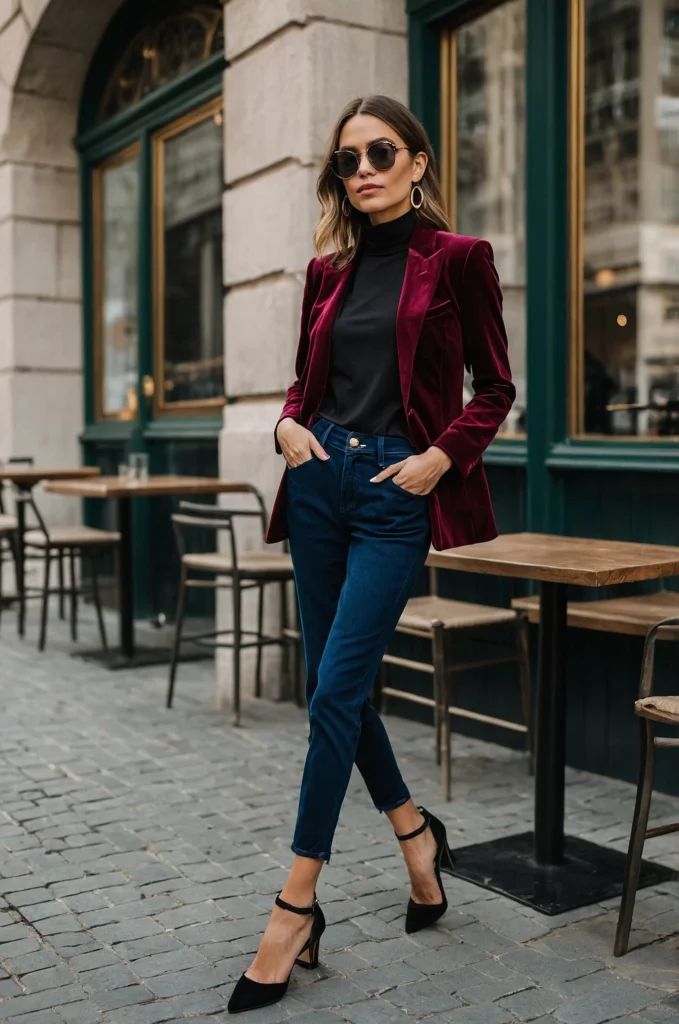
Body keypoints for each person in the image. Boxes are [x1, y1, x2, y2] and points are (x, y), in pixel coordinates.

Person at [228, 94, 514, 1015]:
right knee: (334, 688)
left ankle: (293, 907)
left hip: (397, 492)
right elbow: (303, 380)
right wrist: (282, 425)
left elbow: (496, 386)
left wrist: (439, 458)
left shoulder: (459, 260)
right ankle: (415, 838)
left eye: (381, 152)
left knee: (334, 691)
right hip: (317, 482)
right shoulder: (327, 271)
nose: (364, 171)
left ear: (418, 161)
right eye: (347, 161)